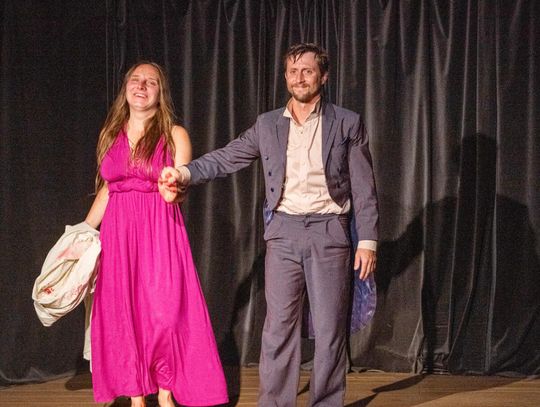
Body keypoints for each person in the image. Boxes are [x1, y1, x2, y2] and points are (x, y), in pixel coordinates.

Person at [160, 43, 379, 406]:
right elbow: (227, 157)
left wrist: (368, 241)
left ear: (323, 76)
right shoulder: (267, 124)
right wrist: (184, 173)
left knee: (329, 330)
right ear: (285, 77)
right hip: (283, 233)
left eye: (307, 71)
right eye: (292, 71)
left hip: (329, 231)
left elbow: (364, 186)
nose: (299, 78)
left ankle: (326, 402)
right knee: (278, 327)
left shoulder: (347, 122)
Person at [84, 61, 228, 407]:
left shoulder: (175, 134)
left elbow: (181, 183)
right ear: (125, 89)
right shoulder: (110, 133)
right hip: (118, 233)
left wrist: (172, 189)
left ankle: (165, 391)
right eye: (135, 80)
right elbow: (108, 188)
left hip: (159, 229)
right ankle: (136, 396)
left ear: (160, 93)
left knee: (165, 313)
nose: (141, 86)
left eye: (150, 82)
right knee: (124, 312)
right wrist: (82, 233)